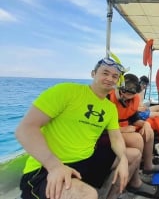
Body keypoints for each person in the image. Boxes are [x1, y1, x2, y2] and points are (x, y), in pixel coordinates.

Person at [15, 58, 149, 199]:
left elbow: (116, 138)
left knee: (133, 156)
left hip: (86, 160)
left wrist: (122, 158)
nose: (110, 78)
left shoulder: (109, 108)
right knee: (87, 195)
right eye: (105, 73)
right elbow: (25, 129)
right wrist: (54, 166)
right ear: (93, 73)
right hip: (48, 167)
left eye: (115, 76)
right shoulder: (67, 91)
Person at [107, 73, 159, 174]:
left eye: (131, 96)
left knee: (149, 132)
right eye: (125, 94)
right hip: (110, 132)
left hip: (125, 127)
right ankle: (135, 176)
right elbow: (99, 126)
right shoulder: (108, 98)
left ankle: (148, 166)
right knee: (137, 139)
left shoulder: (133, 99)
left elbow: (134, 118)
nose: (126, 99)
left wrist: (145, 124)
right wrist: (122, 130)